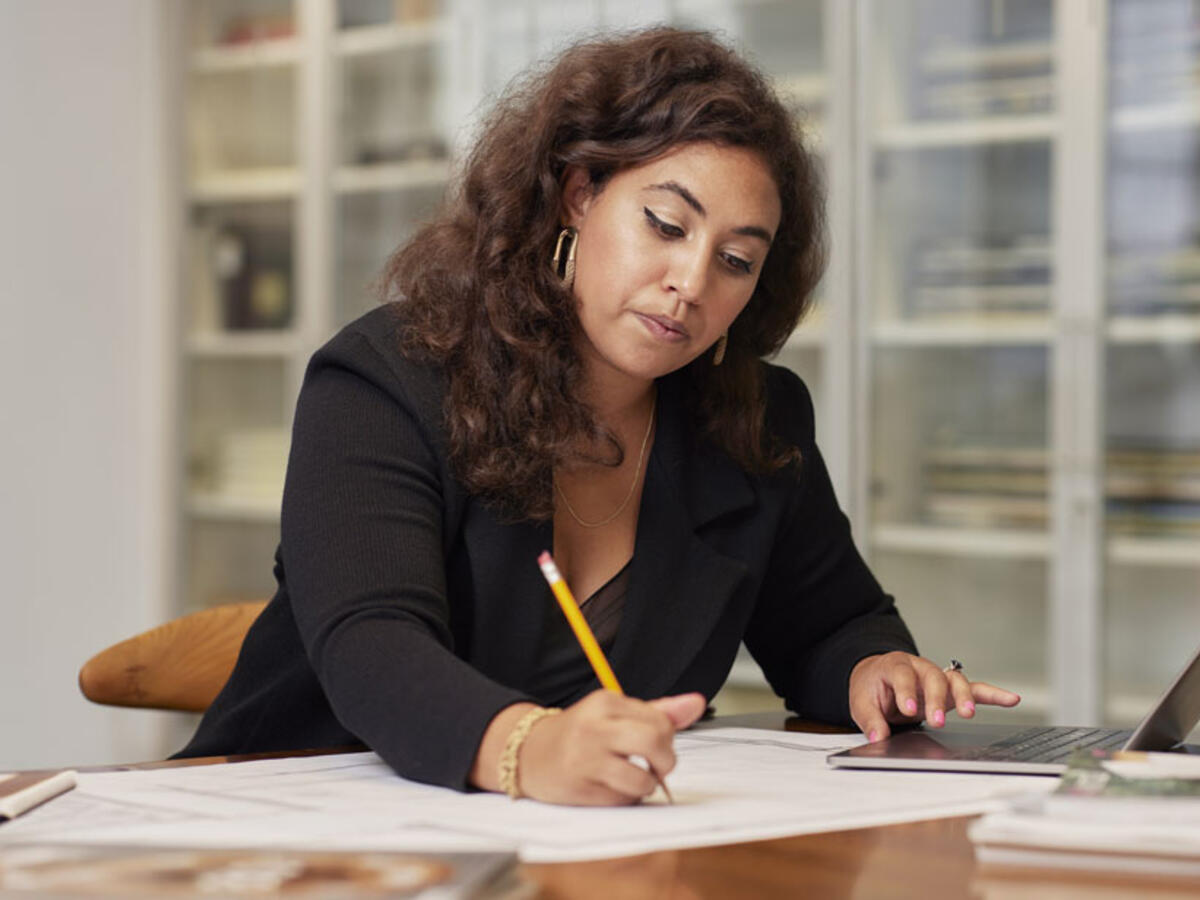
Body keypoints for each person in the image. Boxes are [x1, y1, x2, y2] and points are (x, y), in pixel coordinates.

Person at [177, 27, 1020, 804]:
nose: (691, 282)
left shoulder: (756, 423)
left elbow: (830, 625)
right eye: (665, 224)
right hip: (295, 827)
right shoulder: (386, 381)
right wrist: (528, 749)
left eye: (735, 260)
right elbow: (372, 645)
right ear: (579, 194)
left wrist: (876, 671)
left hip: (570, 852)